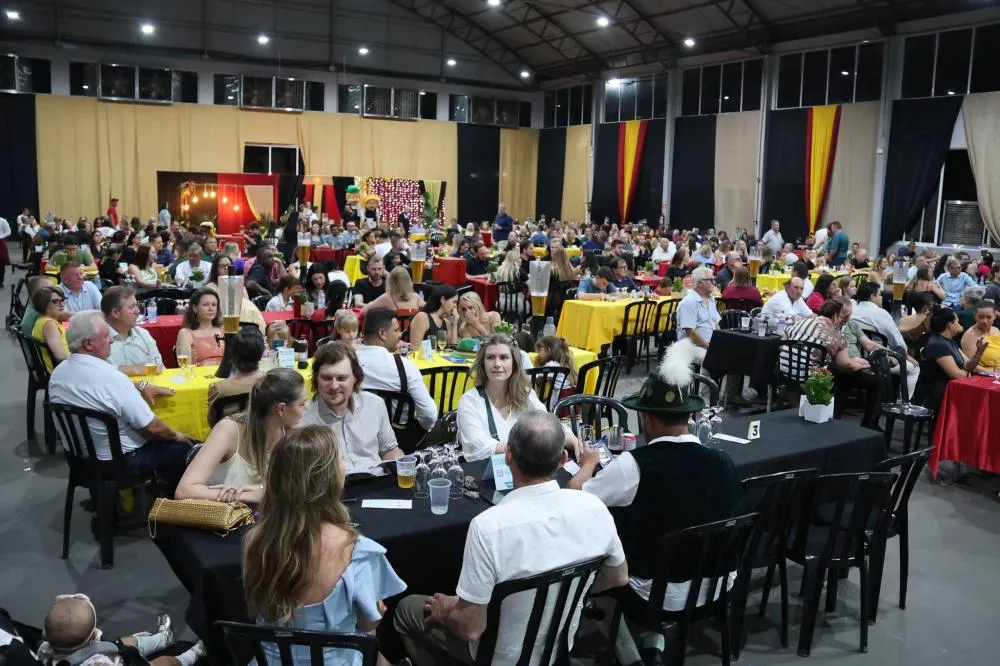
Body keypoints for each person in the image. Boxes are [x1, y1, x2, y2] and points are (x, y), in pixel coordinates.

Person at [395, 411, 627, 666]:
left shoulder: (489, 527)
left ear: (508, 456)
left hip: (499, 657)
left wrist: (447, 611)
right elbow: (618, 576)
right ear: (562, 459)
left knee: (407, 609)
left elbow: (470, 628)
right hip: (559, 647)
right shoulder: (593, 507)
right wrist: (570, 593)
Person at [567, 339, 740, 664]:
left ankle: (634, 657)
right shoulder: (724, 460)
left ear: (646, 420)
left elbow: (575, 500)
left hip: (656, 593)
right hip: (719, 587)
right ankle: (652, 637)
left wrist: (588, 464)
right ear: (688, 417)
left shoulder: (635, 466)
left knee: (592, 567)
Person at [242, 425, 406, 666]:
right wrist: (377, 613)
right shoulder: (356, 551)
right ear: (328, 478)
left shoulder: (256, 543)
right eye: (340, 458)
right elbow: (368, 625)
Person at [48, 311, 194, 490]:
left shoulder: (58, 373)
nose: (111, 340)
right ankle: (174, 505)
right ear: (88, 344)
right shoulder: (111, 377)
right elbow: (153, 427)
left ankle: (111, 507)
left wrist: (138, 385)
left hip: (78, 460)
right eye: (105, 336)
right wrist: (178, 435)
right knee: (186, 447)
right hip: (118, 463)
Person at [179, 368, 307, 502]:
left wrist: (263, 491)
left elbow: (301, 485)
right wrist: (248, 496)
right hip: (225, 517)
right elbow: (184, 490)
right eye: (302, 403)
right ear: (281, 409)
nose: (307, 407)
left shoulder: (294, 430)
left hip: (266, 517)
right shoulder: (229, 430)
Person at [456, 334, 577, 461]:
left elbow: (549, 425)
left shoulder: (526, 394)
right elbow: (478, 448)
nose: (497, 364)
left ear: (515, 363)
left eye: (504, 357)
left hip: (526, 471)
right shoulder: (470, 400)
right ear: (482, 364)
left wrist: (573, 441)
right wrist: (531, 449)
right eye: (490, 357)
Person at [302, 342, 404, 472]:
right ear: (316, 378)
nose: (334, 386)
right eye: (326, 378)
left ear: (355, 377)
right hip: (335, 489)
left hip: (376, 483)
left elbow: (389, 450)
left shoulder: (375, 404)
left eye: (341, 378)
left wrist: (401, 464)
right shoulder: (303, 419)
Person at [35, 594, 204, 666]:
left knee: (126, 642)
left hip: (95, 652)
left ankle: (164, 638)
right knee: (165, 662)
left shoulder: (44, 649)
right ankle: (195, 654)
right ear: (94, 634)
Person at [355, 308, 438, 434]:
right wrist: (420, 431)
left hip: (355, 433)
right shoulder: (405, 367)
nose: (400, 334)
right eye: (396, 330)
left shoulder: (347, 362)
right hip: (399, 440)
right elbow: (429, 415)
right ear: (382, 333)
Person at [913, 307, 988, 412]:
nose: (959, 323)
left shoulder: (950, 341)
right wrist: (968, 370)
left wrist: (979, 353)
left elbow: (968, 364)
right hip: (939, 394)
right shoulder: (937, 344)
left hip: (952, 389)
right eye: (957, 321)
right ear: (950, 324)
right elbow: (957, 375)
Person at [784, 299, 870, 373]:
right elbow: (846, 365)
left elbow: (785, 334)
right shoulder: (838, 335)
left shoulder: (801, 323)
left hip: (785, 372)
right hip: (812, 381)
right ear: (835, 316)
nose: (840, 321)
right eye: (840, 317)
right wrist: (862, 365)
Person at [205, 327, 269, 426]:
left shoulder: (219, 389)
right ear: (262, 352)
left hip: (230, 439)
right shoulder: (272, 382)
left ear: (233, 353)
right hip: (264, 437)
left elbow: (213, 423)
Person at [102, 287, 163, 375]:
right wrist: (134, 369)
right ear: (115, 313)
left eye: (136, 305)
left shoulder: (143, 335)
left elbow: (159, 367)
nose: (138, 311)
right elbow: (96, 372)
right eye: (131, 307)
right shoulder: (98, 339)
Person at [676, 266, 720, 358]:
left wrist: (720, 342)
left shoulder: (711, 299)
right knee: (717, 359)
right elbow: (691, 333)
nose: (714, 282)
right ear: (700, 283)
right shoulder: (689, 302)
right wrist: (710, 348)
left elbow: (716, 325)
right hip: (693, 346)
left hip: (710, 344)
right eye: (711, 280)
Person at [852, 282, 908, 352]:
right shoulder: (882, 314)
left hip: (855, 356)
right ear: (872, 297)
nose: (882, 297)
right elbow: (899, 344)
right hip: (881, 358)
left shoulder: (851, 312)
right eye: (879, 295)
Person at [176, 288, 224, 366]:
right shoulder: (186, 334)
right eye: (205, 305)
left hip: (226, 376)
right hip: (199, 376)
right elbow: (184, 367)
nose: (211, 308)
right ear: (195, 308)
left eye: (214, 305)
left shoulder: (224, 330)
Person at [31, 286, 70, 371]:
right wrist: (80, 361)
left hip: (62, 368)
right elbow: (60, 356)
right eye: (55, 301)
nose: (62, 304)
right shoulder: (49, 324)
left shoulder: (42, 320)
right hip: (61, 371)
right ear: (43, 304)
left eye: (62, 300)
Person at [533, 335, 577, 410]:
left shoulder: (551, 365)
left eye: (540, 351)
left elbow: (537, 379)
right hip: (570, 394)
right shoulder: (561, 361)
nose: (538, 354)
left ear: (549, 349)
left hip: (561, 396)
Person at [360, 266, 424, 316]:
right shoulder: (416, 297)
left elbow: (364, 312)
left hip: (395, 331)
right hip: (414, 331)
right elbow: (429, 310)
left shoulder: (388, 297)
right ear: (409, 281)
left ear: (391, 281)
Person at [410, 285, 459, 350]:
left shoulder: (447, 323)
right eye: (454, 302)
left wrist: (455, 323)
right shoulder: (422, 318)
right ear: (443, 300)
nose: (455, 306)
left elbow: (452, 350)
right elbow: (415, 350)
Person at [960, 299, 1000, 366]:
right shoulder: (970, 335)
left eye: (989, 317)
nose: (984, 321)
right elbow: (970, 365)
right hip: (987, 374)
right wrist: (993, 373)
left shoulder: (996, 330)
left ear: (995, 316)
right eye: (981, 317)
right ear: (975, 316)